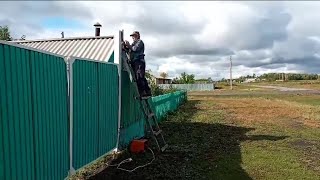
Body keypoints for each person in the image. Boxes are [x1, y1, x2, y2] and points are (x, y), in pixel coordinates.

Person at [124, 31, 152, 97]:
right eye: (132, 36)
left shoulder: (140, 42)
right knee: (139, 77)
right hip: (134, 62)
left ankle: (143, 92)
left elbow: (135, 49)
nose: (133, 37)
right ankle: (147, 91)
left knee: (139, 76)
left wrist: (128, 45)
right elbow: (130, 50)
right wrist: (126, 47)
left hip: (139, 61)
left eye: (135, 35)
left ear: (138, 36)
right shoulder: (133, 43)